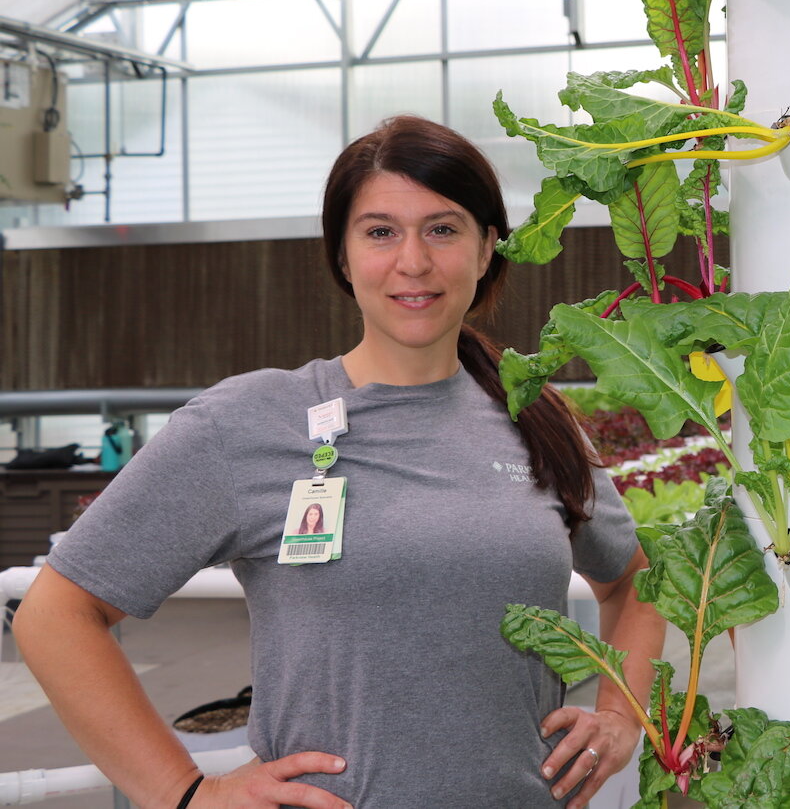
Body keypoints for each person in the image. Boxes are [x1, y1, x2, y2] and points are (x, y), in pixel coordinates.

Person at [14, 116, 663, 809]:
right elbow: (54, 613)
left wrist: (622, 714)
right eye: (380, 231)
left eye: (443, 228)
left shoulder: (539, 417)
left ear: (486, 250)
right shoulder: (249, 422)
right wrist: (184, 791)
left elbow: (633, 583)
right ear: (343, 256)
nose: (412, 261)